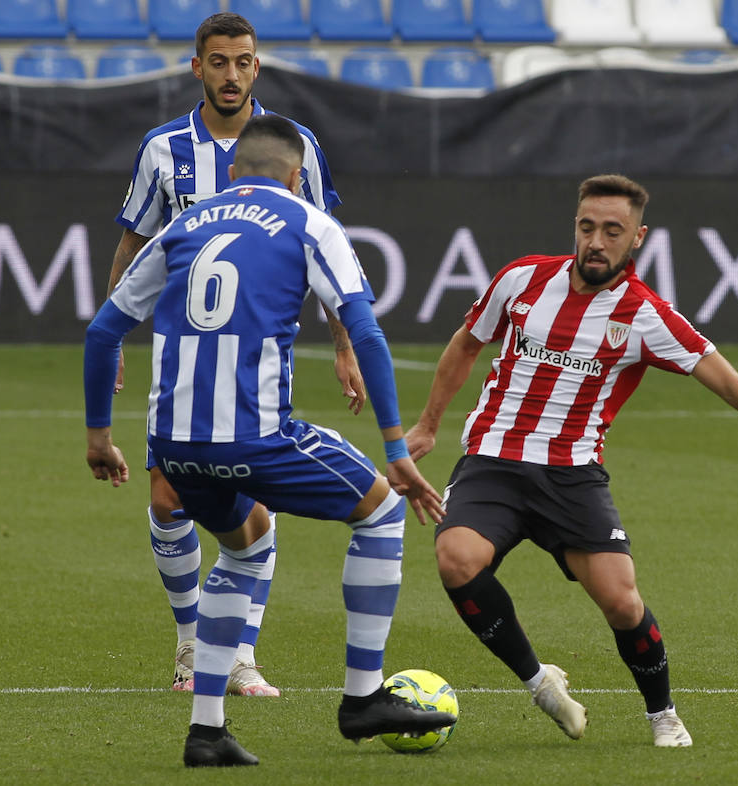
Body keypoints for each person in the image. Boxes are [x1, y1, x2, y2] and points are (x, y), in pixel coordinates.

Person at [404, 174, 738, 748]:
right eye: (587, 227)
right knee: (456, 559)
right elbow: (466, 344)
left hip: (571, 474)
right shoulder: (521, 279)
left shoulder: (647, 316)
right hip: (493, 461)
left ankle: (662, 714)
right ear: (575, 226)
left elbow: (732, 384)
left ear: (637, 238)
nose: (596, 241)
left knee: (623, 603)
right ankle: (540, 683)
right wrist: (428, 424)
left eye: (612, 231)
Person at [84, 115, 458, 767]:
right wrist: (396, 447)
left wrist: (98, 435)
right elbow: (364, 332)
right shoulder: (309, 223)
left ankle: (206, 732)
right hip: (255, 437)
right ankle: (363, 697)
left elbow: (102, 331)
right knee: (383, 511)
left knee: (246, 548)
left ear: (233, 172)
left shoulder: (182, 227)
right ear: (295, 174)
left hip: (173, 446)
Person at [109, 12, 360, 698]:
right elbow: (134, 244)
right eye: (218, 62)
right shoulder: (163, 149)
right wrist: (117, 332)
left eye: (243, 62)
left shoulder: (292, 144)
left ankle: (240, 654)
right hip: (181, 356)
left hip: (261, 355)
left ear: (258, 66)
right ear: (197, 66)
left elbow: (326, 241)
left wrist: (343, 343)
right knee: (167, 500)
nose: (231, 74)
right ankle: (191, 645)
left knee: (252, 497)